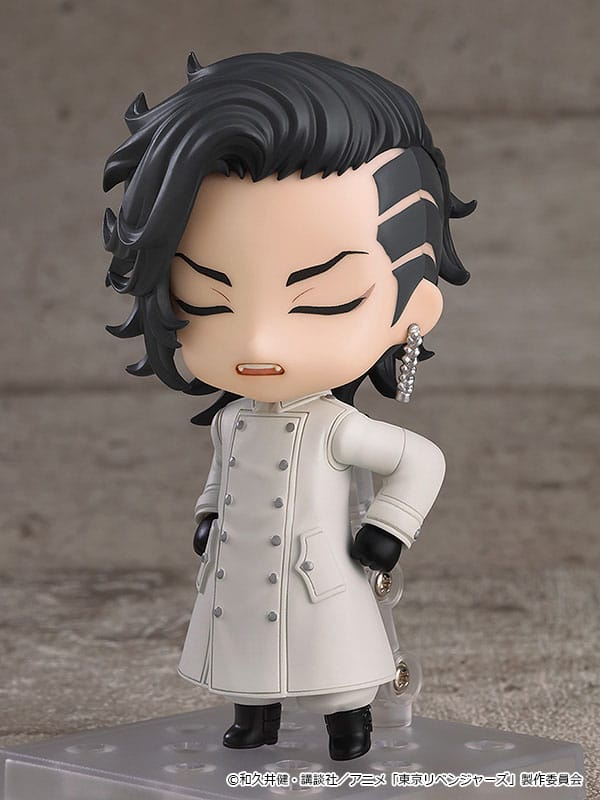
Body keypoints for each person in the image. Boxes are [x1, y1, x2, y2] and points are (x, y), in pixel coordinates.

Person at [103, 51, 475, 760]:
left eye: (326, 299)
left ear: (415, 308)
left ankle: (349, 724)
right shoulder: (233, 419)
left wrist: (389, 529)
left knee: (333, 659)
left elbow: (420, 460)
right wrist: (208, 515)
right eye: (206, 299)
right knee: (242, 647)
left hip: (314, 571)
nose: (258, 342)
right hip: (239, 566)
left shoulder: (337, 428)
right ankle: (253, 717)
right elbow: (221, 469)